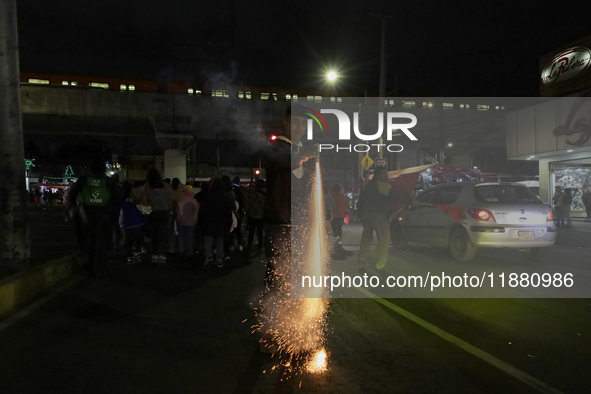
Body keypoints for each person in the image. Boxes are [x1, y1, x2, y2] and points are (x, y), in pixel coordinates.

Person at [258, 104, 316, 354]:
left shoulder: (301, 150)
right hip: (280, 222)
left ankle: (294, 331)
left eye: (305, 124)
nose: (301, 128)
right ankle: (269, 333)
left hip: (300, 224)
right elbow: (282, 163)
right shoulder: (277, 148)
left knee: (298, 279)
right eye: (297, 122)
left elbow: (310, 188)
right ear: (286, 123)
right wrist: (303, 156)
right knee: (276, 278)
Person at [67, 156, 119, 277]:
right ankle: (100, 267)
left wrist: (74, 207)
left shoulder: (84, 178)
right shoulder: (108, 180)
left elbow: (72, 195)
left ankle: (90, 264)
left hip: (87, 213)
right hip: (105, 214)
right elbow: (116, 197)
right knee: (102, 241)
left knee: (89, 238)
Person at [356, 166, 411, 271]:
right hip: (378, 215)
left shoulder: (368, 185)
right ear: (377, 175)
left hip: (366, 214)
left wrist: (359, 213)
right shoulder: (383, 186)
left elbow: (361, 199)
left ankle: (361, 258)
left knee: (366, 237)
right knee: (384, 239)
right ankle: (380, 263)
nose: (386, 176)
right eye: (383, 174)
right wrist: (409, 200)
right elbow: (395, 195)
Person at [139, 168, 172, 265]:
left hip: (153, 212)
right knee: (162, 234)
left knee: (154, 234)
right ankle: (162, 255)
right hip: (164, 212)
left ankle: (154, 254)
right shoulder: (166, 186)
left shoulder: (147, 186)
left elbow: (144, 201)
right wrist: (171, 210)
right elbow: (169, 200)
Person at [199, 179, 234, 268]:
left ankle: (208, 257)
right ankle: (219, 260)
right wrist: (228, 224)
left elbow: (202, 212)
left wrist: (201, 223)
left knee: (208, 240)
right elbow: (228, 214)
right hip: (221, 224)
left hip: (208, 223)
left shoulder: (207, 198)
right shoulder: (224, 199)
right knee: (219, 242)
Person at [119, 182, 146, 264]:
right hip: (136, 220)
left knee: (129, 240)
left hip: (126, 221)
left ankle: (129, 257)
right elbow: (139, 201)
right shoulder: (132, 196)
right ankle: (137, 255)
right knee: (138, 238)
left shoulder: (120, 197)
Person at [244, 179, 266, 257]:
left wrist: (248, 213)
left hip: (252, 216)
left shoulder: (251, 193)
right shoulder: (265, 194)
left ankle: (248, 248)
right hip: (261, 217)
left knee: (251, 233)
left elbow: (247, 203)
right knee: (260, 233)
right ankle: (260, 247)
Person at [176, 187, 199, 258]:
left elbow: (178, 212)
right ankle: (189, 252)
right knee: (189, 237)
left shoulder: (180, 201)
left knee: (181, 236)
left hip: (181, 221)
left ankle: (181, 250)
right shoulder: (194, 201)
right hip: (191, 222)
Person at [168, 177, 183, 254]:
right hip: (179, 212)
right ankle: (181, 248)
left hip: (170, 211)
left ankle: (171, 247)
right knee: (180, 230)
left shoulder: (169, 190)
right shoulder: (181, 189)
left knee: (171, 231)